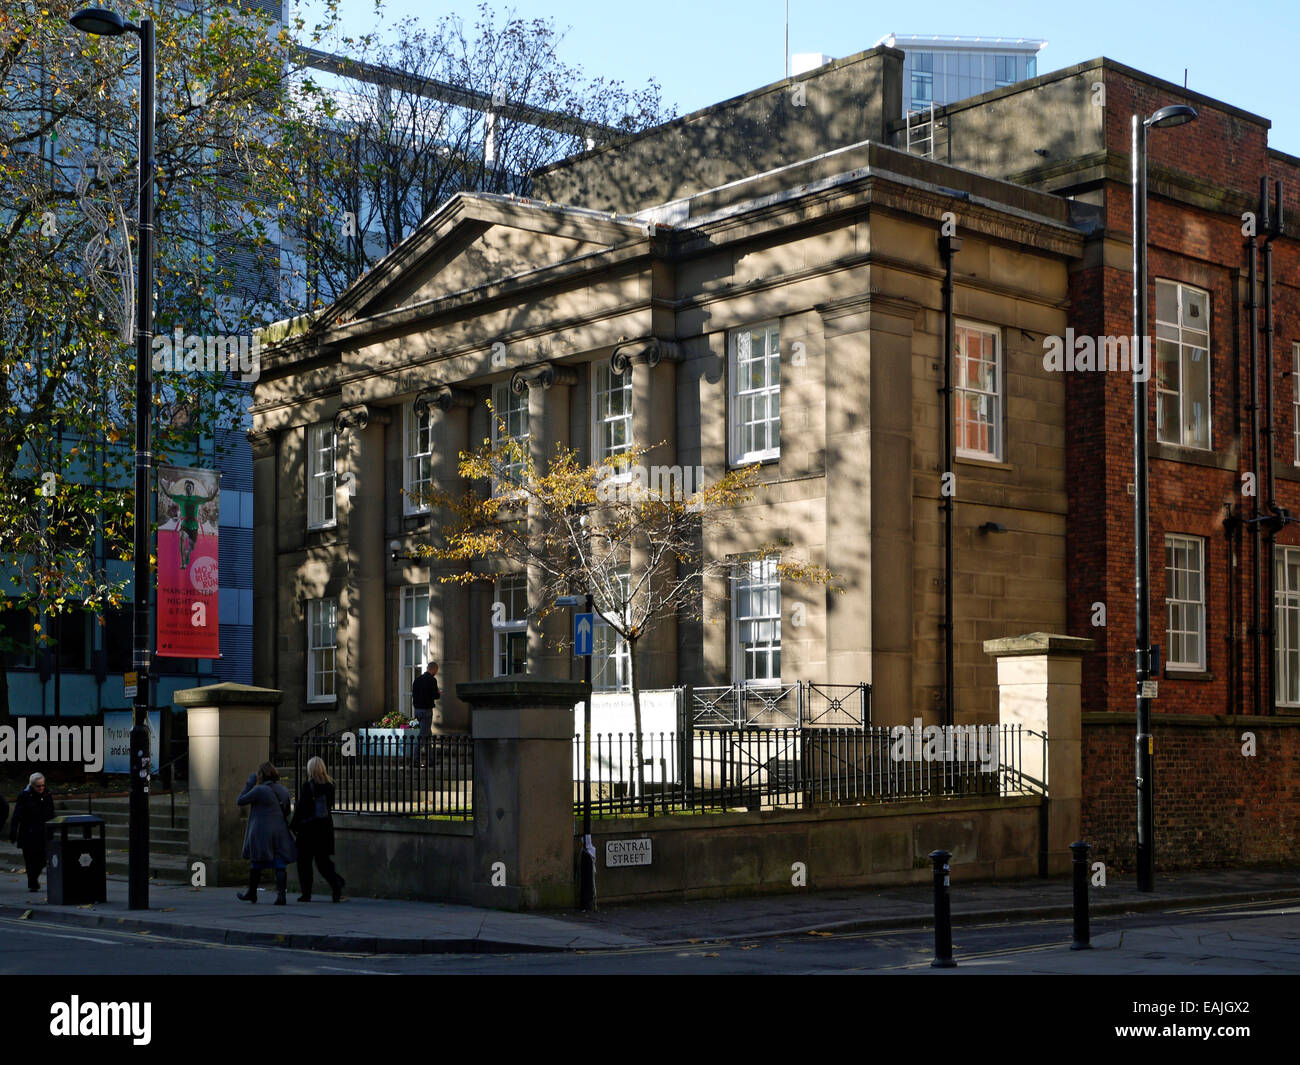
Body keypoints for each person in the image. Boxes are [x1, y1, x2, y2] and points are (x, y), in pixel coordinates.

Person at [236, 762, 296, 905]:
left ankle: (252, 893)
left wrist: (249, 784)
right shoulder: (283, 790)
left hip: (261, 831)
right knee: (280, 862)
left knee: (257, 862)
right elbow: (287, 811)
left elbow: (240, 800)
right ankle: (281, 895)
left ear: (261, 775)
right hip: (280, 830)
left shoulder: (259, 790)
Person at [289, 756, 345, 903]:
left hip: (308, 829)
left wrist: (294, 825)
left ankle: (306, 893)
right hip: (324, 828)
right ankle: (336, 884)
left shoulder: (308, 786)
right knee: (323, 862)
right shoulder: (330, 785)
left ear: (310, 769)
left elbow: (302, 808)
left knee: (304, 863)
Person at [10, 772, 54, 892]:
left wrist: (52, 827)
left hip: (42, 833)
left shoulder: (47, 794)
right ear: (32, 785)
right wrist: (13, 830)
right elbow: (17, 815)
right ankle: (32, 881)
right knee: (30, 860)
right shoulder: (24, 796)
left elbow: (51, 812)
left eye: (42, 785)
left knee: (42, 858)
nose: (41, 788)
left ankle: (33, 878)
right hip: (28, 833)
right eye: (38, 786)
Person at [410, 659, 440, 762]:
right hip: (426, 710)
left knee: (428, 735)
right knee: (423, 736)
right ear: (434, 670)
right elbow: (435, 695)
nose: (436, 673)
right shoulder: (432, 680)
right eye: (436, 670)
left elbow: (414, 695)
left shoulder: (417, 680)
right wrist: (438, 693)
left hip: (417, 710)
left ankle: (430, 759)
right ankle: (415, 759)